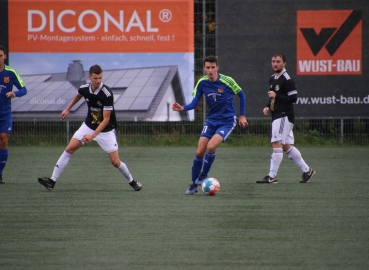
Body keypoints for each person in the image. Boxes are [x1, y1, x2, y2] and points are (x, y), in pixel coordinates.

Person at [38, 65, 142, 191]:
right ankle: (52, 181)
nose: (98, 81)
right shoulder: (85, 89)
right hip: (89, 126)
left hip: (106, 130)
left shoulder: (107, 94)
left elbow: (106, 120)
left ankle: (131, 181)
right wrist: (67, 109)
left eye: (100, 78)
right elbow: (78, 95)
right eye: (95, 78)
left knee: (115, 162)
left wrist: (92, 136)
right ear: (90, 77)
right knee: (69, 149)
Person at [172, 55, 248, 194]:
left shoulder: (227, 81)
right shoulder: (202, 83)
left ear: (217, 68)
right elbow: (195, 103)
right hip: (211, 120)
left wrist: (242, 116)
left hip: (227, 121)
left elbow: (241, 94)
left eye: (213, 67)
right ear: (204, 69)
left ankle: (203, 176)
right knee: (199, 151)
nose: (211, 70)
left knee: (211, 147)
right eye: (208, 68)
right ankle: (194, 184)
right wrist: (182, 108)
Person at [257, 52, 315, 184]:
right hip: (277, 114)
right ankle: (307, 171)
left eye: (278, 61)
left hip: (284, 115)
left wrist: (276, 96)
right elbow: (274, 96)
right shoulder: (273, 78)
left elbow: (293, 98)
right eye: (273, 61)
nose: (275, 64)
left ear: (284, 63)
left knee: (276, 143)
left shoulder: (287, 79)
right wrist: (268, 106)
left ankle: (272, 176)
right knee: (286, 146)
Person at [0, 45, 27, 184]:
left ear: (4, 56)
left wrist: (14, 93)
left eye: (0, 55)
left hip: (4, 113)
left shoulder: (10, 73)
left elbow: (24, 89)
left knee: (4, 139)